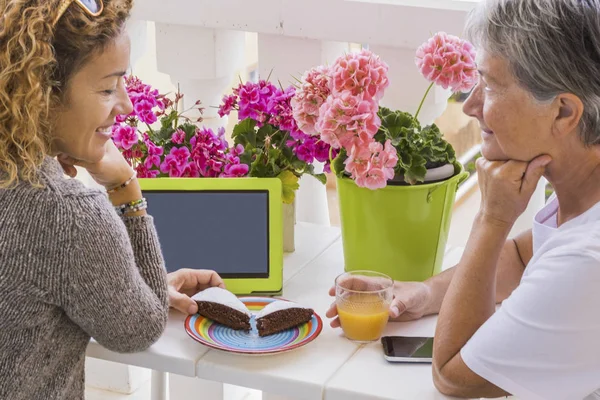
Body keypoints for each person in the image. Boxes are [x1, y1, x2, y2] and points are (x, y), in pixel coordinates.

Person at [327, 0, 600, 398]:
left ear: (562, 112)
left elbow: (453, 375)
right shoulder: (581, 189)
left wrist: (491, 219)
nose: (471, 106)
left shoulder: (587, 261)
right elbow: (527, 257)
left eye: (489, 86)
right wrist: (425, 292)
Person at [0, 1, 223, 398]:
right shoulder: (67, 215)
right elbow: (137, 330)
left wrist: (118, 281)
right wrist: (125, 188)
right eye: (107, 88)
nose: (127, 105)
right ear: (39, 91)